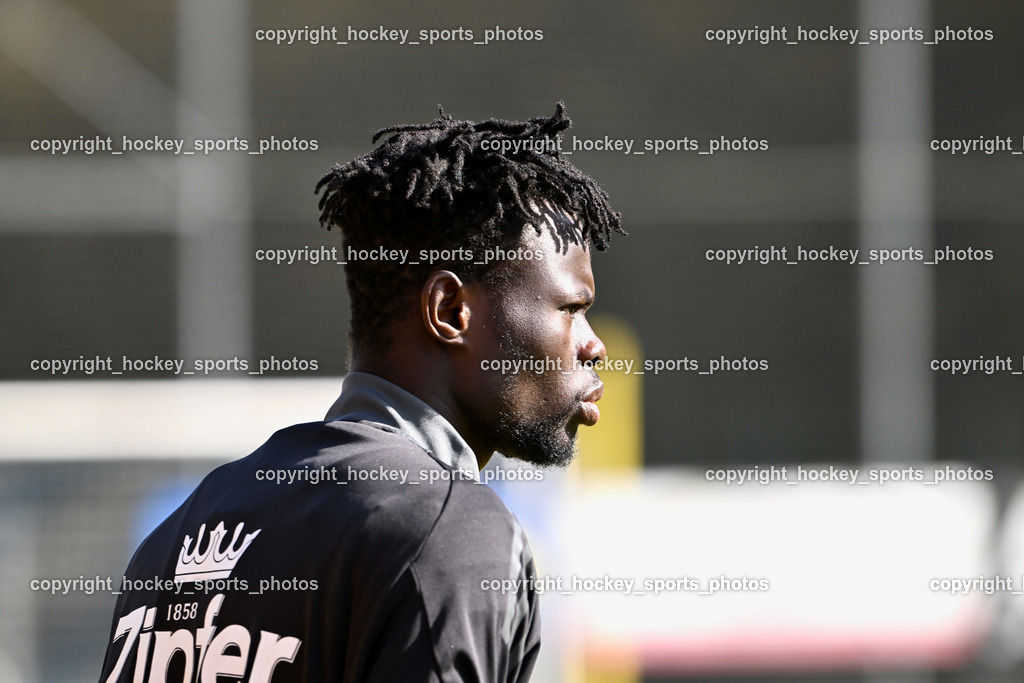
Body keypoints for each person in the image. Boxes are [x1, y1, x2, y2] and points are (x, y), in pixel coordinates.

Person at [97, 102, 624, 682]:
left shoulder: (175, 540)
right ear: (450, 311)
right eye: (571, 309)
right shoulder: (448, 532)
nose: (593, 345)